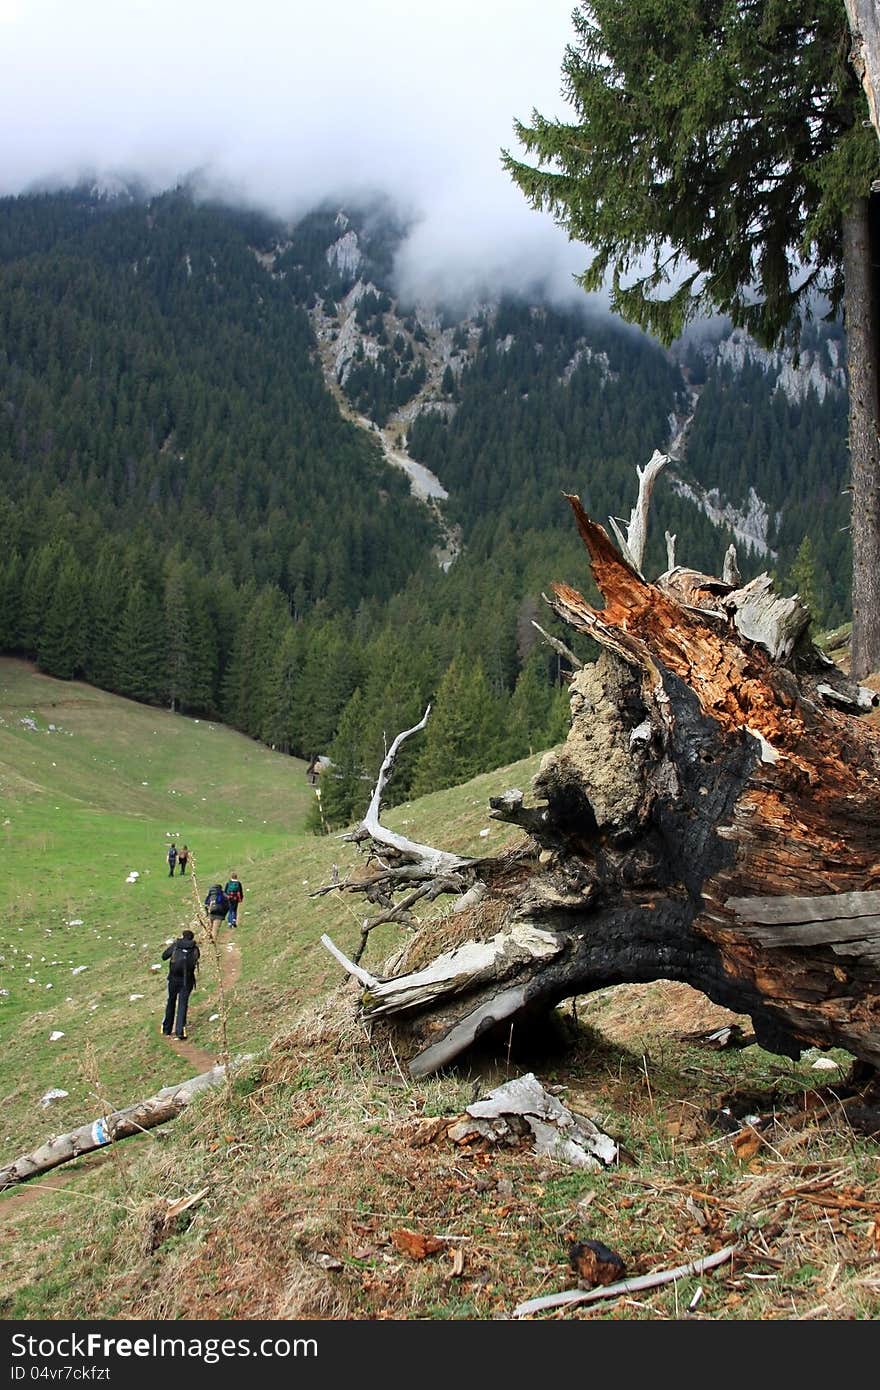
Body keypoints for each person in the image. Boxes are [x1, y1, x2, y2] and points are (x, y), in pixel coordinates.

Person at [160, 929, 200, 1040]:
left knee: (171, 1001)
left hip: (173, 978)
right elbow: (195, 960)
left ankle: (166, 1029)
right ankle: (180, 1031)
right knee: (183, 1004)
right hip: (187, 980)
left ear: (182, 936)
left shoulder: (176, 946)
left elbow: (164, 956)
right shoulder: (195, 948)